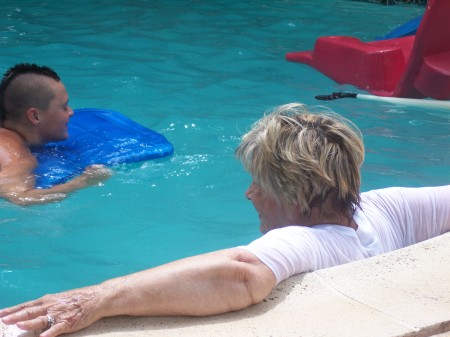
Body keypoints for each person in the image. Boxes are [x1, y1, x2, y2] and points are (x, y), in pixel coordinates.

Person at [0, 103, 448, 337]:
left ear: (296, 191)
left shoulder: (314, 241)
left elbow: (241, 275)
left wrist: (95, 298)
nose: (249, 192)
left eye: (260, 182)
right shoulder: (385, 208)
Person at [0, 63, 111, 206]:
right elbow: (20, 198)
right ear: (35, 116)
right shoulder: (17, 156)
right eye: (64, 107)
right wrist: (85, 181)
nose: (71, 112)